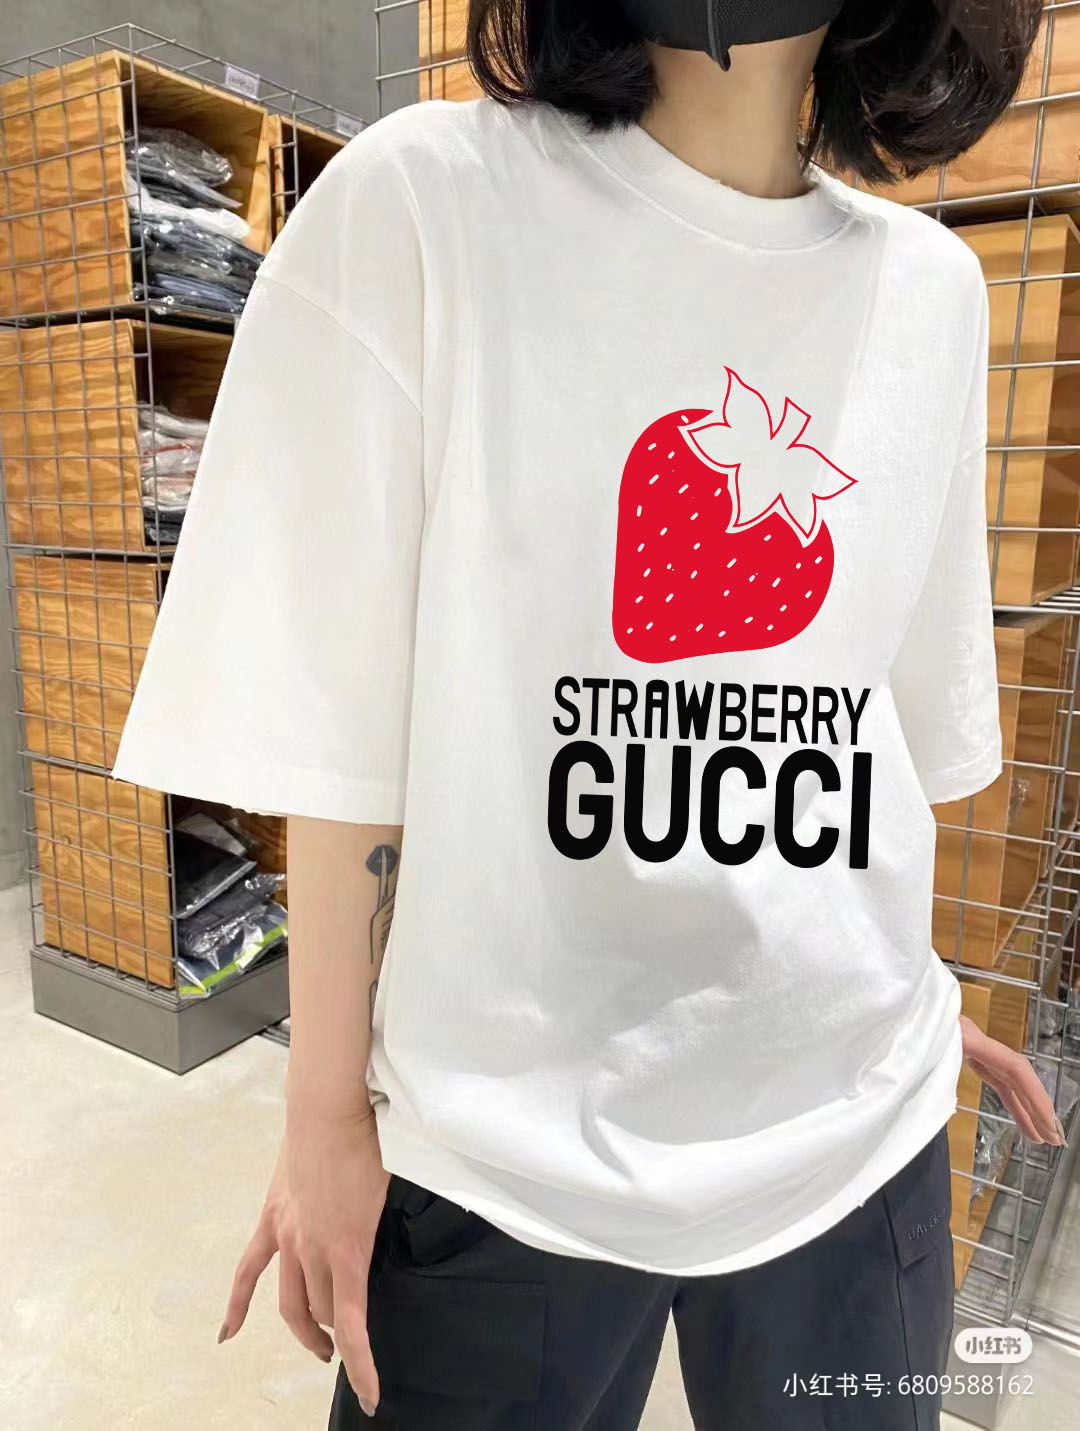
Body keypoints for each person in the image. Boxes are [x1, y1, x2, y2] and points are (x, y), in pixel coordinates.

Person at [110, 1, 1065, 1427]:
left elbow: (869, 736)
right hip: (503, 1155)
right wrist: (324, 1114)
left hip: (859, 1136)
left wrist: (904, 1008)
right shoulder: (424, 203)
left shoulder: (930, 292)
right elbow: (338, 735)